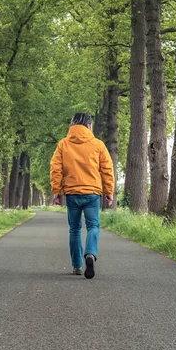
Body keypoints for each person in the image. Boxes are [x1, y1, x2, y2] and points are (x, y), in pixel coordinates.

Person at [50, 112, 115, 279]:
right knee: (93, 226)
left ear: (72, 125)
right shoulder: (98, 144)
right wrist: (109, 191)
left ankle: (78, 266)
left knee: (75, 229)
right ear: (89, 126)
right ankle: (90, 253)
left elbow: (56, 169)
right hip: (92, 193)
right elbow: (107, 170)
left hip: (72, 193)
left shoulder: (63, 144)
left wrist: (56, 191)